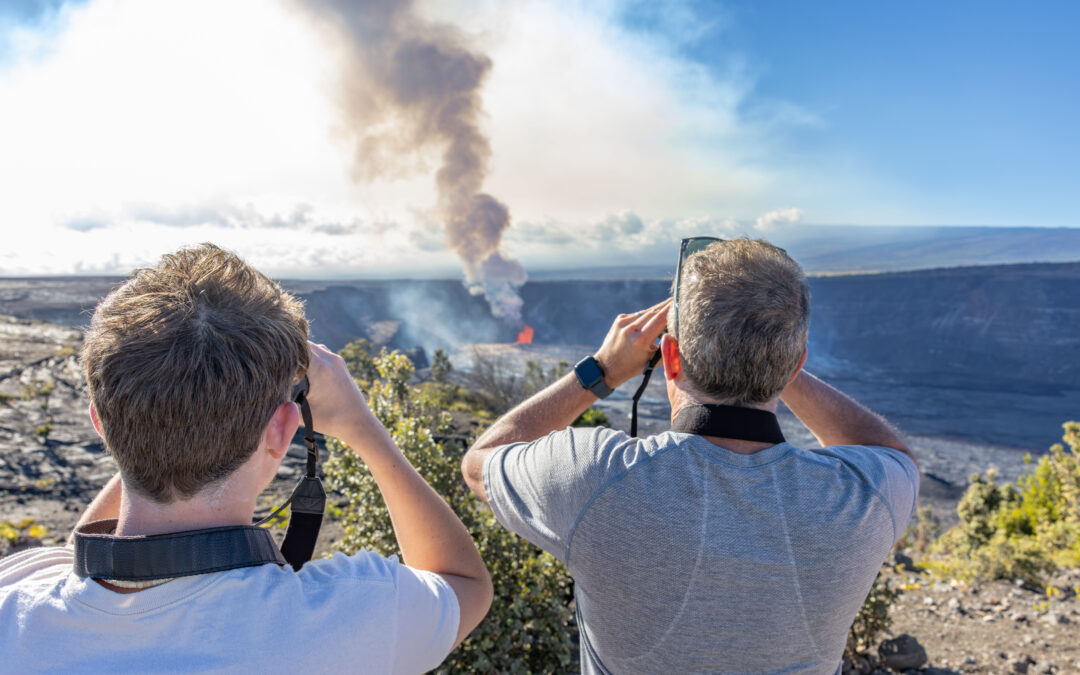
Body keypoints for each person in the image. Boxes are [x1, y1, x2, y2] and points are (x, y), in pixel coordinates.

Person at [0, 244, 492, 673]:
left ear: (100, 424)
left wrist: (148, 417)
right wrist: (364, 429)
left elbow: (77, 562)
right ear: (282, 429)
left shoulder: (13, 605)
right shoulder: (352, 619)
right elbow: (462, 582)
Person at [462, 238, 919, 674]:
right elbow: (892, 452)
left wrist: (600, 371)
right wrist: (770, 360)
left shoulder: (593, 478)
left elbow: (481, 462)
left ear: (671, 357)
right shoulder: (862, 499)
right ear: (795, 363)